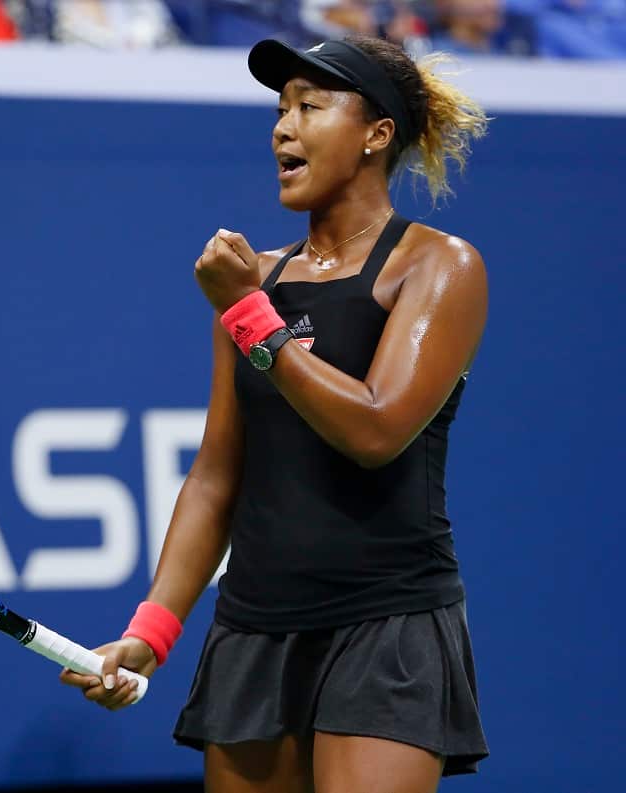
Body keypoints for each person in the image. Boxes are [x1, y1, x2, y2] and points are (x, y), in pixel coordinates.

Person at [60, 35, 490, 792]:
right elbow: (217, 475)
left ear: (376, 134)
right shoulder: (255, 278)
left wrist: (250, 317)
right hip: (254, 629)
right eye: (280, 108)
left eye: (310, 107)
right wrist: (150, 632)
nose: (282, 128)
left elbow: (376, 429)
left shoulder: (439, 266)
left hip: (385, 626)